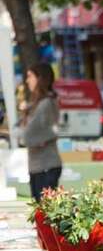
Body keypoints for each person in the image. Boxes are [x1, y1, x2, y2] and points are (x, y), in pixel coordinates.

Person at [22, 63, 62, 202]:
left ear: (40, 78)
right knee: (40, 213)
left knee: (44, 214)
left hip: (46, 166)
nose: (27, 81)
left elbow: (27, 136)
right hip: (38, 166)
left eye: (30, 76)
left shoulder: (46, 104)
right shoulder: (37, 104)